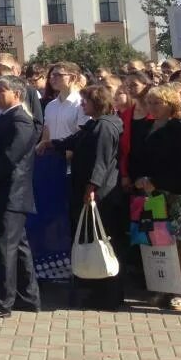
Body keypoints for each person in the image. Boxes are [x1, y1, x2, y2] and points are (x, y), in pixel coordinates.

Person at [42, 84, 124, 309]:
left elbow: (102, 161)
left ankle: (110, 294)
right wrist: (51, 143)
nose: (82, 105)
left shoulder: (105, 127)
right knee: (91, 240)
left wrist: (92, 187)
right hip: (86, 189)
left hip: (101, 193)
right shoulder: (92, 125)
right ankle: (95, 290)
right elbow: (73, 141)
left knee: (104, 241)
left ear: (97, 102)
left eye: (85, 101)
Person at [0, 76, 42, 319]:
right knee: (18, 246)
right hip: (5, 191)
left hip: (12, 192)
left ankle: (2, 302)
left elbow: (9, 158)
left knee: (6, 248)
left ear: (17, 94)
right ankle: (28, 297)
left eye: (2, 91)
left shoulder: (21, 121)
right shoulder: (5, 118)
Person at [133, 84, 181, 311]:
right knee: (155, 242)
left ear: (170, 104)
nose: (152, 107)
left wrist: (157, 182)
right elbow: (137, 157)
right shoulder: (146, 127)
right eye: (149, 102)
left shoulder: (180, 129)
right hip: (149, 194)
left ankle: (179, 291)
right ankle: (162, 286)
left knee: (177, 243)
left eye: (157, 103)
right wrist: (139, 178)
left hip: (175, 193)